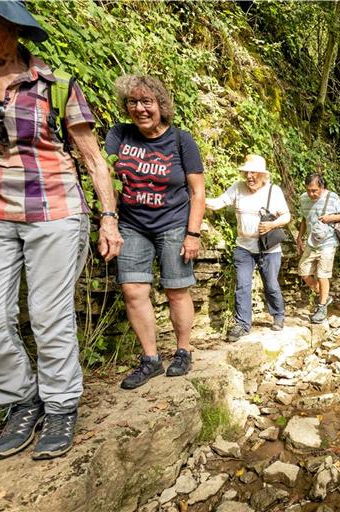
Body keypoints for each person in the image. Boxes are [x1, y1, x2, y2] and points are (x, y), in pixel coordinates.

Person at [0, 0, 123, 461]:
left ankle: (62, 404)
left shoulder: (57, 84)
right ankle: (20, 401)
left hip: (54, 207)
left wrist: (108, 218)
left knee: (49, 315)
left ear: (13, 24)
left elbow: (91, 157)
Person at [105, 75, 206, 390]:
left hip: (174, 224)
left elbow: (197, 192)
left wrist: (193, 234)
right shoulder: (119, 135)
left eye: (146, 102)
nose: (139, 108)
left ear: (161, 106)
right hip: (133, 224)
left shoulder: (181, 140)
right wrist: (107, 221)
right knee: (133, 290)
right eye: (133, 102)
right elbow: (107, 178)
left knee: (176, 289)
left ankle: (183, 350)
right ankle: (150, 359)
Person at [206, 154, 291, 341]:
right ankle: (242, 325)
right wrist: (198, 198)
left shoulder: (273, 191)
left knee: (270, 284)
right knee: (242, 285)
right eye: (247, 173)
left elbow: (286, 216)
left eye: (254, 173)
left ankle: (278, 315)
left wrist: (272, 225)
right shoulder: (238, 187)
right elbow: (218, 203)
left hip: (268, 248)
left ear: (263, 175)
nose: (250, 176)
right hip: (244, 246)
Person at [297, 173, 340, 324]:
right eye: (308, 190)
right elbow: (304, 219)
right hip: (312, 242)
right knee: (303, 271)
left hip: (328, 241)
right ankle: (324, 295)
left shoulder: (332, 197)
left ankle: (322, 306)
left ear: (322, 187)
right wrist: (299, 237)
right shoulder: (303, 198)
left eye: (314, 191)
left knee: (322, 274)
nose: (311, 194)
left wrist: (329, 218)